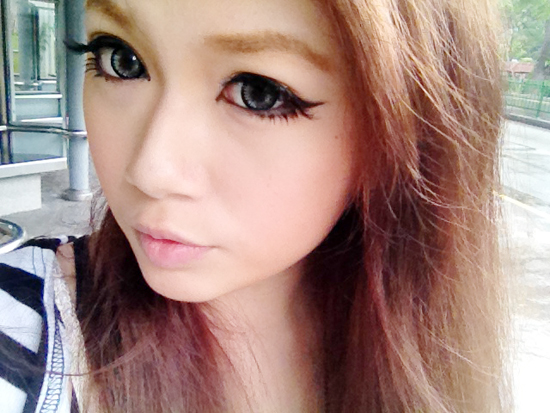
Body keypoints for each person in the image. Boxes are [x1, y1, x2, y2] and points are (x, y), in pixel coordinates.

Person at [0, 0, 510, 411]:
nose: (150, 170)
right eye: (122, 59)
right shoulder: (20, 332)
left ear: (409, 135)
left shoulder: (441, 355)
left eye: (258, 93)